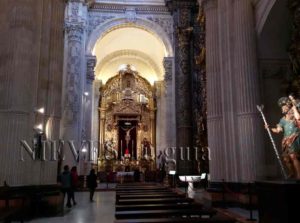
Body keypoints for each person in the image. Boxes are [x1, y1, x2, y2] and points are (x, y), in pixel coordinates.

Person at [267, 96, 300, 179]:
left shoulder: (295, 116)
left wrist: (293, 105)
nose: (283, 109)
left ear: (288, 107)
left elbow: (298, 117)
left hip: (294, 138)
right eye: (282, 108)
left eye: (284, 107)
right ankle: (293, 173)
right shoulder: (282, 120)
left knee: (293, 156)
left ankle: (299, 175)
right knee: (286, 159)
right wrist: (269, 128)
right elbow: (278, 130)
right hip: (286, 140)